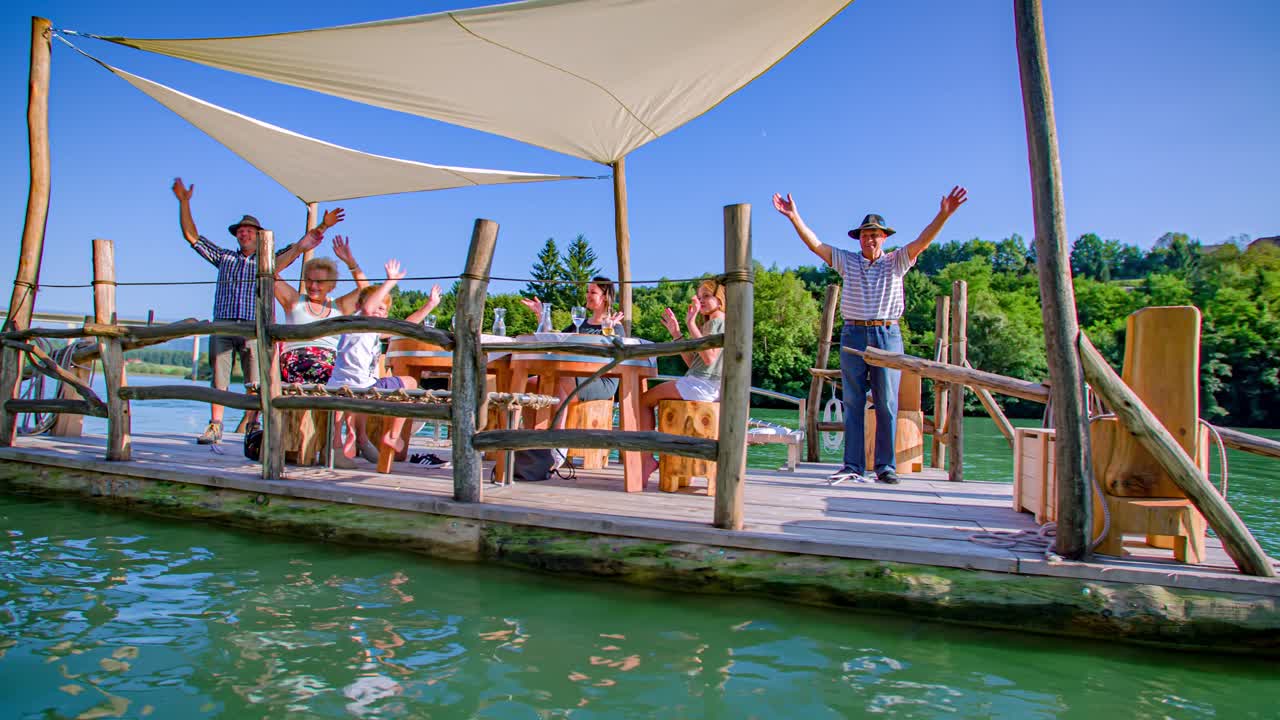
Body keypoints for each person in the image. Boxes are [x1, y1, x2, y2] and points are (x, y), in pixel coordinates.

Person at [773, 186, 968, 485]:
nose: (870, 238)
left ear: (884, 238)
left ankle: (885, 467)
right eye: (865, 234)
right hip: (853, 334)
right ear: (859, 238)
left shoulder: (897, 261)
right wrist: (793, 216)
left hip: (888, 334)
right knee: (852, 402)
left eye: (875, 234)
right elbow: (816, 245)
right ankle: (852, 465)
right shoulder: (847, 262)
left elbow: (923, 242)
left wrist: (943, 214)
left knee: (886, 402)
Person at [172, 177, 344, 445]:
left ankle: (252, 426)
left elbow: (301, 245)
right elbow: (192, 237)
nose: (245, 233)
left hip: (255, 327)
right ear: (236, 235)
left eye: (250, 231)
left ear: (259, 235)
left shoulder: (268, 261)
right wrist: (184, 202)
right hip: (224, 325)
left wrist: (323, 225)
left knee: (255, 382)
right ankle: (215, 425)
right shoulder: (225, 258)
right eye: (241, 231)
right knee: (219, 378)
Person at [326, 259, 441, 468]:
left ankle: (363, 439)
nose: (380, 312)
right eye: (377, 307)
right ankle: (387, 437)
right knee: (409, 383)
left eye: (384, 310)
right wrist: (390, 281)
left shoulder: (372, 331)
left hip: (354, 387)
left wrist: (429, 305)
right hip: (353, 388)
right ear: (359, 307)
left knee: (400, 384)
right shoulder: (357, 323)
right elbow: (369, 309)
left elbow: (405, 326)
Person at [638, 278, 726, 482]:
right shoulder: (718, 322)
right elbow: (694, 362)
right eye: (699, 296)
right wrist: (677, 334)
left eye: (707, 296)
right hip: (706, 385)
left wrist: (690, 323)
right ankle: (661, 457)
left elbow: (709, 357)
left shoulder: (715, 321)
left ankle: (647, 458)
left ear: (720, 300)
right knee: (653, 400)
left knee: (643, 401)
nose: (701, 300)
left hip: (701, 385)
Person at [520, 277, 625, 428]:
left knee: (562, 377)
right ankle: (533, 439)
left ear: (605, 297)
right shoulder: (579, 323)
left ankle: (557, 444)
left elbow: (617, 355)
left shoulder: (615, 325)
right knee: (531, 383)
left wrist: (609, 330)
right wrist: (541, 315)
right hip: (572, 374)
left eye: (593, 292)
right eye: (587, 291)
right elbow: (554, 341)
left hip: (600, 380)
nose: (588, 295)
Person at [273, 235, 370, 384]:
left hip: (330, 365)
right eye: (309, 280)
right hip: (297, 363)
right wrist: (299, 249)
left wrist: (351, 262)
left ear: (332, 286)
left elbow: (367, 292)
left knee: (345, 377)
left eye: (320, 282)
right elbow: (270, 274)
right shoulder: (294, 301)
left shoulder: (339, 306)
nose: (313, 286)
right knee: (333, 379)